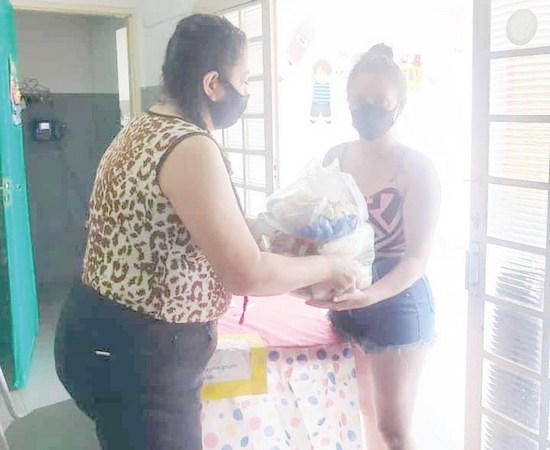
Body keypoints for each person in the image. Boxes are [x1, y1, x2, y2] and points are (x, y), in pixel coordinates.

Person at [54, 14, 358, 450]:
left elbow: (193, 226)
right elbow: (246, 274)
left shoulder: (142, 128)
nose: (248, 91)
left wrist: (275, 240)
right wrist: (329, 265)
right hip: (139, 355)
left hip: (94, 332)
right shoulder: (190, 147)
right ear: (213, 84)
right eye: (245, 79)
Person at [311, 43, 441, 450]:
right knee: (364, 413)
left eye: (380, 100)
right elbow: (321, 226)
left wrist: (369, 295)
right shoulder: (335, 156)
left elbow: (416, 260)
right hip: (348, 293)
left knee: (394, 429)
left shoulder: (415, 167)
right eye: (359, 100)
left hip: (397, 299)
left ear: (399, 104)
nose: (368, 108)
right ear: (347, 101)